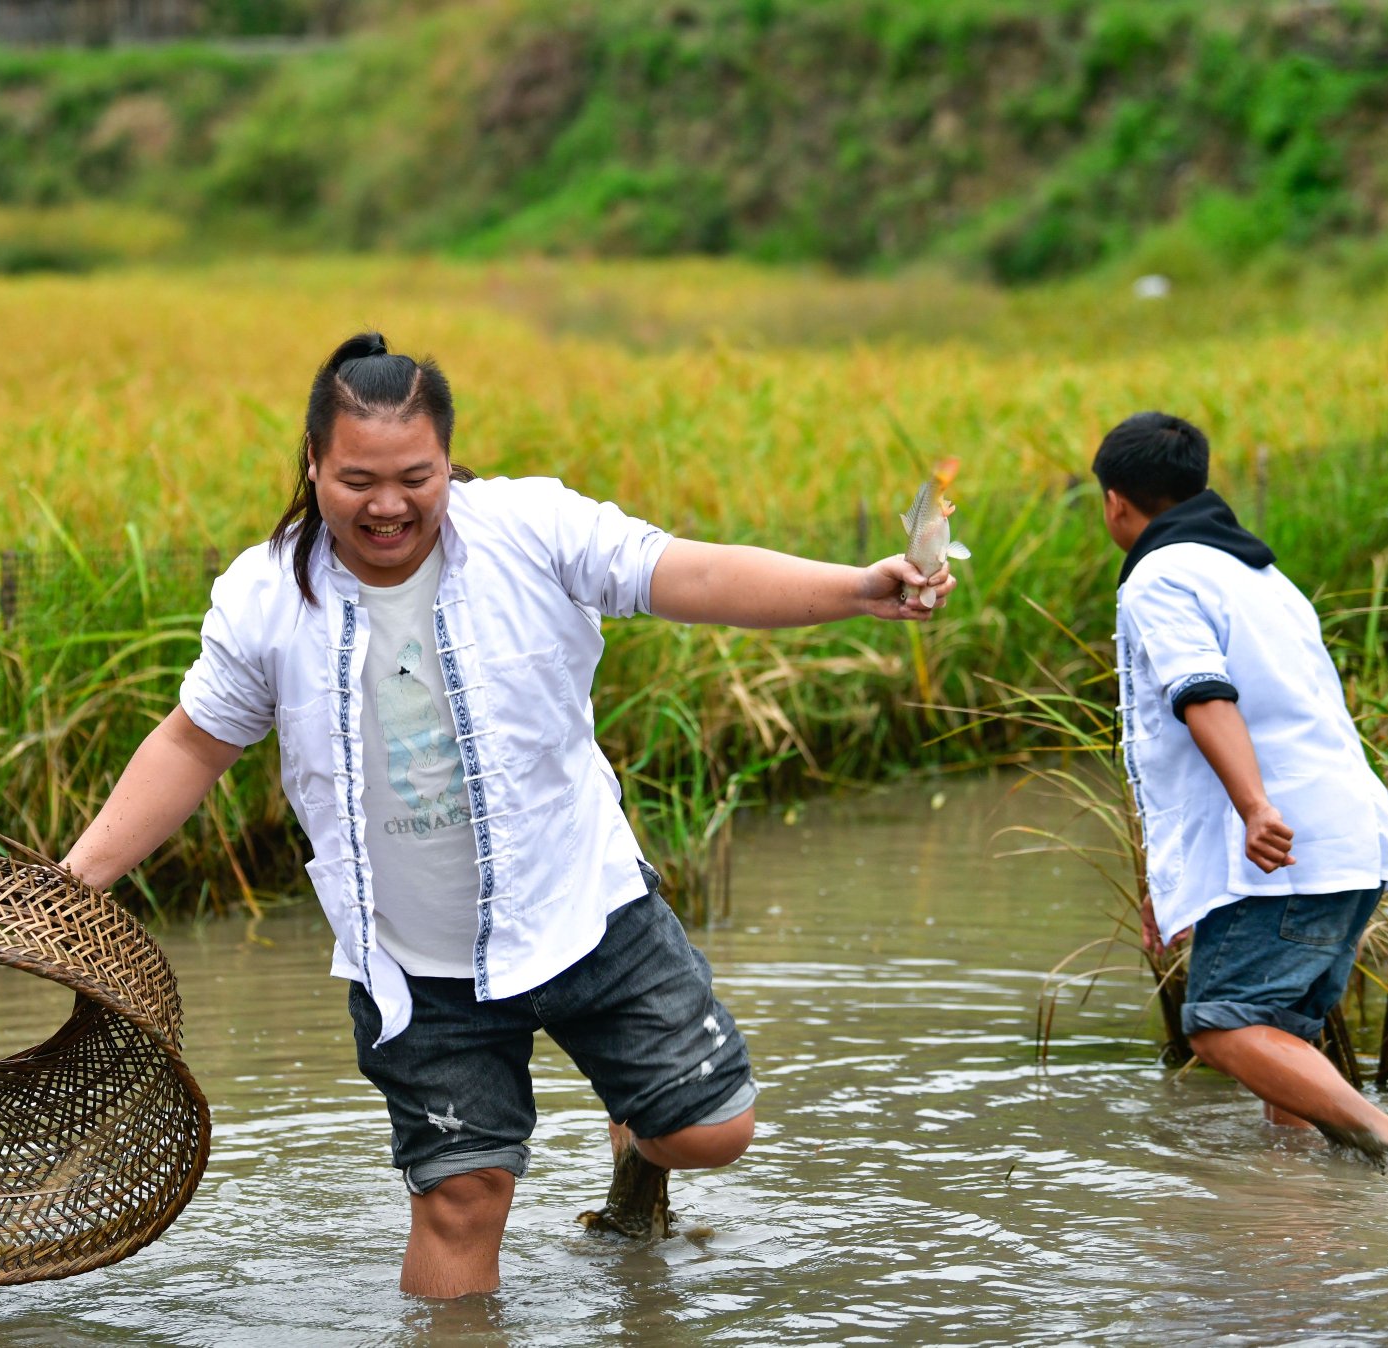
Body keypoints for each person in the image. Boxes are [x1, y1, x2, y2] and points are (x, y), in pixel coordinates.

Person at [61, 332, 958, 1297]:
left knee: (709, 1132)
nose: (389, 503)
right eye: (358, 477)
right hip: (415, 958)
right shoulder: (265, 598)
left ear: (450, 462)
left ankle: (638, 1145)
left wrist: (854, 590)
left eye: (417, 475)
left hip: (580, 907)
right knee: (461, 1196)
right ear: (313, 465)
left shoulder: (532, 527)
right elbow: (194, 743)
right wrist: (73, 886)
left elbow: (684, 574)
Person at [1093, 411, 1388, 1184]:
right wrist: (1172, 881)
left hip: (1279, 839)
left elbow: (1203, 694)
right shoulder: (1260, 574)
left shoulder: (1160, 575)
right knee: (1282, 1036)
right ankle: (1292, 1219)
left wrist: (1255, 806)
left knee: (1221, 1028)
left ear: (1116, 502)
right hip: (1342, 835)